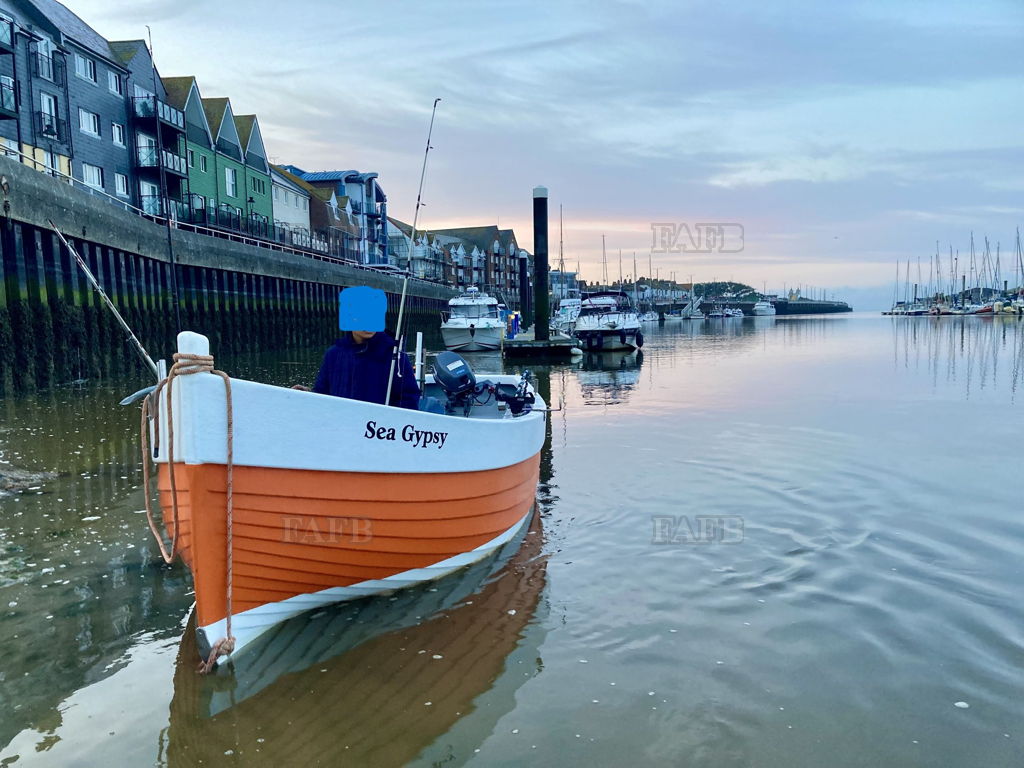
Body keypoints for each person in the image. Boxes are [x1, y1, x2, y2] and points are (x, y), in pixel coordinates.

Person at [293, 287, 420, 410]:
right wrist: (308, 395)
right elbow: (323, 394)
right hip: (341, 426)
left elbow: (409, 400)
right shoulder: (333, 354)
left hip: (376, 429)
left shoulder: (395, 356)